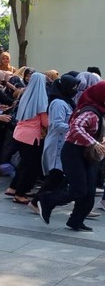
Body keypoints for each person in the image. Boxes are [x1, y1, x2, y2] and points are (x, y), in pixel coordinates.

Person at [37, 82, 105, 231]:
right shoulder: (90, 112)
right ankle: (47, 200)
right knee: (79, 189)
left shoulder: (100, 111)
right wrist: (94, 143)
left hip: (87, 153)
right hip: (73, 151)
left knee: (90, 191)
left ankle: (76, 220)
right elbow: (75, 128)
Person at [5, 73, 49, 204]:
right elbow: (46, 122)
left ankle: (13, 187)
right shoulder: (41, 99)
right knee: (30, 166)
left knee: (24, 163)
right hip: (31, 137)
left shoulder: (25, 95)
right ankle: (20, 193)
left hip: (19, 133)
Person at [38, 74, 80, 197]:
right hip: (57, 143)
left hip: (63, 141)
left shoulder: (66, 102)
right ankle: (38, 201)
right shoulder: (59, 103)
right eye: (73, 88)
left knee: (59, 175)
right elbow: (57, 124)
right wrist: (76, 129)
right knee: (56, 173)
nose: (75, 91)